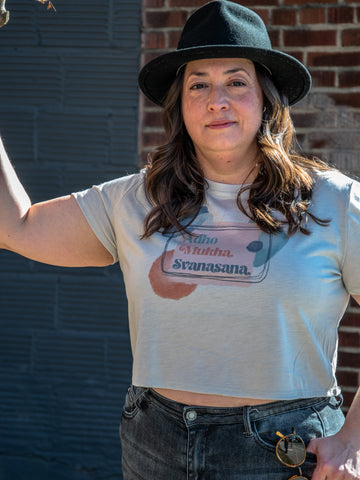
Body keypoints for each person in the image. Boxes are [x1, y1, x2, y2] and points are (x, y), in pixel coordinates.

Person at [0, 1, 359, 478]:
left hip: (282, 453)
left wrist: (353, 441)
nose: (217, 100)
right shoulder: (135, 200)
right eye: (198, 85)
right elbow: (16, 226)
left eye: (236, 81)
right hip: (155, 445)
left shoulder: (334, 202)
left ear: (267, 98)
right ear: (180, 103)